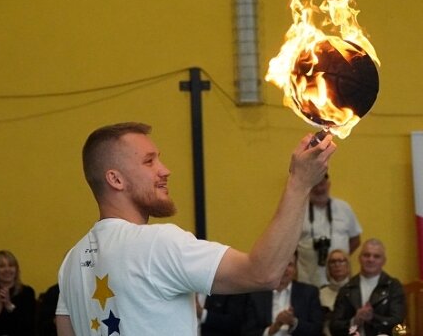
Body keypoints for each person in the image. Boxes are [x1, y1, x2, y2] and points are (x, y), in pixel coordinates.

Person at [56, 122, 335, 336]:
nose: (165, 170)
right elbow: (264, 274)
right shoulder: (157, 243)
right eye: (149, 161)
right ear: (116, 179)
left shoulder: (71, 262)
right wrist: (300, 183)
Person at [297, 173, 362, 288]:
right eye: (315, 185)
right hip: (308, 280)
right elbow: (288, 246)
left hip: (340, 282)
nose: (319, 189)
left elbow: (356, 239)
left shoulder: (344, 208)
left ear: (328, 185)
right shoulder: (298, 211)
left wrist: (337, 258)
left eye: (322, 184)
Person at [329, 238, 405, 336]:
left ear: (384, 261)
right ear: (359, 258)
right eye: (366, 255)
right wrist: (354, 322)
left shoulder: (393, 287)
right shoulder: (347, 288)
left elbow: (398, 325)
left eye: (376, 256)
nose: (370, 259)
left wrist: (372, 318)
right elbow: (334, 327)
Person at [241, 252, 323, 336]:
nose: (285, 269)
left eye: (290, 264)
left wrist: (293, 322)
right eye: (281, 264)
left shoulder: (309, 293)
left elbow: (317, 329)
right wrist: (272, 330)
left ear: (295, 269)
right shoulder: (256, 295)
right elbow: (246, 332)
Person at [0, 250, 36, 336]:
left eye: (11, 265)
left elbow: (28, 327)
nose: (7, 270)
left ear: (16, 269)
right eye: (2, 266)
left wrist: (9, 306)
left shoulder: (27, 293)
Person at [319, 249, 350, 336]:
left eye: (341, 261)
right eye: (333, 262)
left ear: (348, 265)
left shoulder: (356, 290)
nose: (337, 265)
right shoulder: (320, 293)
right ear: (328, 267)